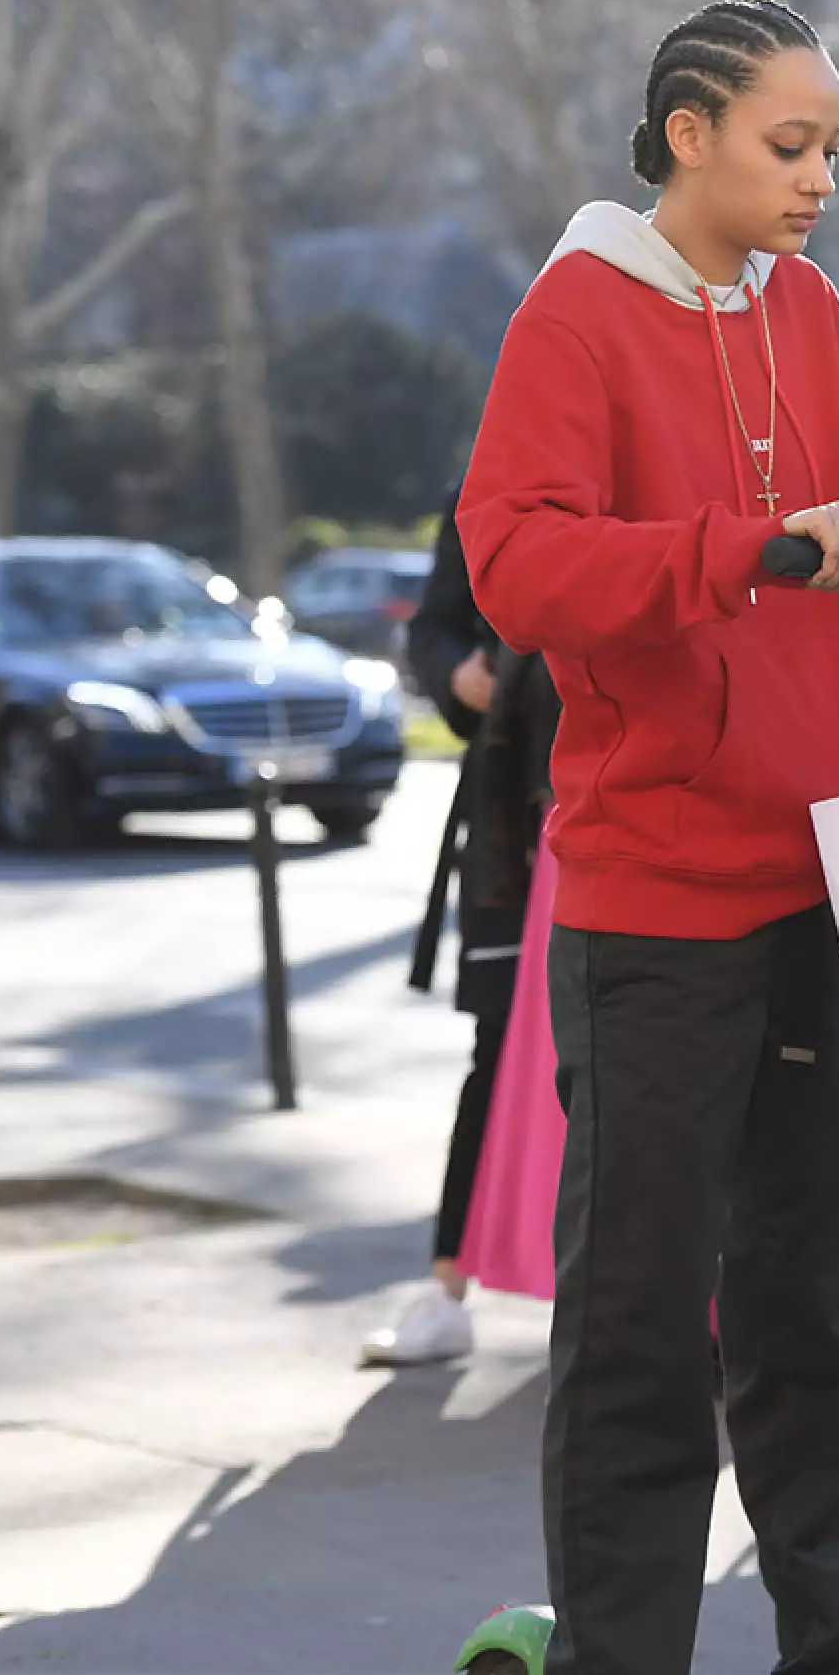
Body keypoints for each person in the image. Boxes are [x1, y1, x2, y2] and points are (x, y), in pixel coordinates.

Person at [456, 0, 839, 1675]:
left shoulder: (809, 309)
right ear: (686, 131)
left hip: (816, 874)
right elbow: (519, 565)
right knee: (639, 1339)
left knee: (801, 1312)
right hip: (655, 902)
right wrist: (739, 548)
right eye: (788, 142)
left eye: (831, 143)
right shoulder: (577, 316)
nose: (818, 175)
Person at [360, 487, 557, 1366]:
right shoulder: (489, 485)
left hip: (636, 798)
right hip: (516, 815)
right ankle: (447, 1286)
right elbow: (434, 625)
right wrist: (457, 677)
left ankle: (698, 1313)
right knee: (500, 1043)